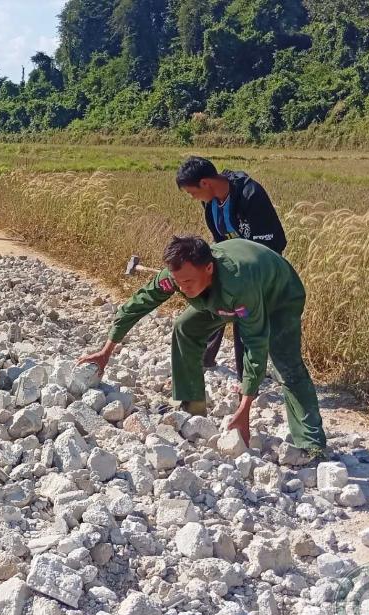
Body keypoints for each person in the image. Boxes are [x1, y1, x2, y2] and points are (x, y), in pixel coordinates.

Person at [79, 235, 326, 461]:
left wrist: (244, 408)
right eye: (178, 282)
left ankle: (311, 443)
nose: (182, 288)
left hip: (279, 294)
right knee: (186, 327)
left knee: (286, 363)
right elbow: (138, 303)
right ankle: (193, 406)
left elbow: (255, 342)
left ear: (208, 268)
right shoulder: (176, 276)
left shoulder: (238, 286)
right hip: (219, 293)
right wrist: (106, 350)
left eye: (188, 282)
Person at [175, 157, 286, 383]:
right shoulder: (211, 202)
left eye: (192, 193)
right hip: (231, 259)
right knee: (211, 296)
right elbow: (219, 239)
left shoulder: (250, 195)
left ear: (205, 183)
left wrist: (238, 274)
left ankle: (248, 376)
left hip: (260, 263)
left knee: (241, 311)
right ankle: (205, 357)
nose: (193, 198)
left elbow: (270, 243)